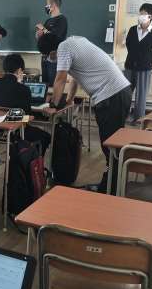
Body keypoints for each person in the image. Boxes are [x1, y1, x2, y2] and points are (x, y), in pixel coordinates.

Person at [38, 34, 131, 193]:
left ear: (52, 51)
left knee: (110, 146)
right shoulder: (75, 41)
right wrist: (69, 100)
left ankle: (111, 189)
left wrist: (53, 106)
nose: (48, 59)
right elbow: (75, 78)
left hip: (111, 95)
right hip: (118, 93)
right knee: (111, 145)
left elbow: (60, 78)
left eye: (47, 56)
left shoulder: (63, 48)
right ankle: (111, 185)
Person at [0, 54, 51, 154]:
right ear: (19, 70)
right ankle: (33, 162)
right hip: (16, 130)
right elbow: (26, 116)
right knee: (46, 137)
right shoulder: (23, 89)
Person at [124, 3, 152, 123]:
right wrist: (135, 57)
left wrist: (145, 60)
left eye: (143, 14)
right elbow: (129, 45)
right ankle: (123, 116)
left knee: (141, 95)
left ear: (151, 17)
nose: (141, 16)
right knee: (125, 93)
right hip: (129, 66)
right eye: (140, 13)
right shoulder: (133, 29)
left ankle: (138, 119)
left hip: (144, 68)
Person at [35, 0, 68, 86]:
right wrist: (38, 35)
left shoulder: (62, 19)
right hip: (44, 57)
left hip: (54, 58)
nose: (46, 6)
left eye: (47, 4)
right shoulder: (48, 20)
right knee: (45, 85)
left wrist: (43, 29)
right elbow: (45, 36)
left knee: (53, 84)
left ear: (53, 5)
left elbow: (56, 37)